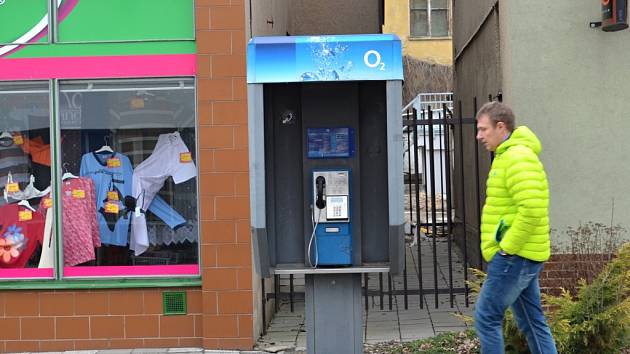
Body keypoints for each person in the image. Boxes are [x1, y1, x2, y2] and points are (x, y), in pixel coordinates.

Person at [474, 101, 557, 354]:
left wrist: (507, 248)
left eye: (483, 129)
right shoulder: (507, 156)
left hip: (515, 256)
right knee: (532, 322)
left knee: (486, 316)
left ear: (501, 127)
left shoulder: (518, 157)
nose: (479, 136)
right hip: (520, 255)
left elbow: (532, 210)